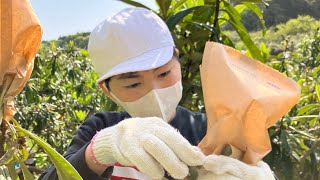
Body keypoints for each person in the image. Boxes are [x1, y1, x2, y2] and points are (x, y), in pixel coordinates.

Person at [40, 7, 275, 180]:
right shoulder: (99, 128)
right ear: (108, 91)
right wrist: (99, 151)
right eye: (133, 84)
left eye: (164, 74)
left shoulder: (211, 129)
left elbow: (249, 164)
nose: (154, 92)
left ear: (178, 62)